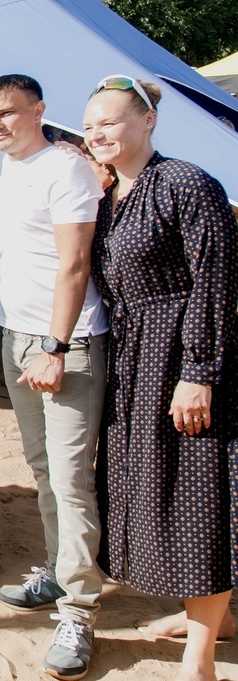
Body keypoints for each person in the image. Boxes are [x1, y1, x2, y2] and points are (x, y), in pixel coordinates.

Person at [85, 75, 236, 681]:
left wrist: (199, 371)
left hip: (185, 357)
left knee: (196, 498)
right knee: (157, 493)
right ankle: (213, 618)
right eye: (90, 125)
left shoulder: (186, 183)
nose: (98, 133)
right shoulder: (110, 194)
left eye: (111, 122)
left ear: (148, 121)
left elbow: (217, 280)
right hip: (134, 361)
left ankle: (199, 657)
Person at [0, 75, 108, 681]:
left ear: (39, 111)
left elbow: (75, 262)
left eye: (8, 112)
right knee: (44, 466)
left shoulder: (66, 168)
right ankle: (58, 571)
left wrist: (56, 345)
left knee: (72, 477)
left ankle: (79, 610)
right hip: (17, 336)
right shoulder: (3, 166)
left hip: (64, 341)